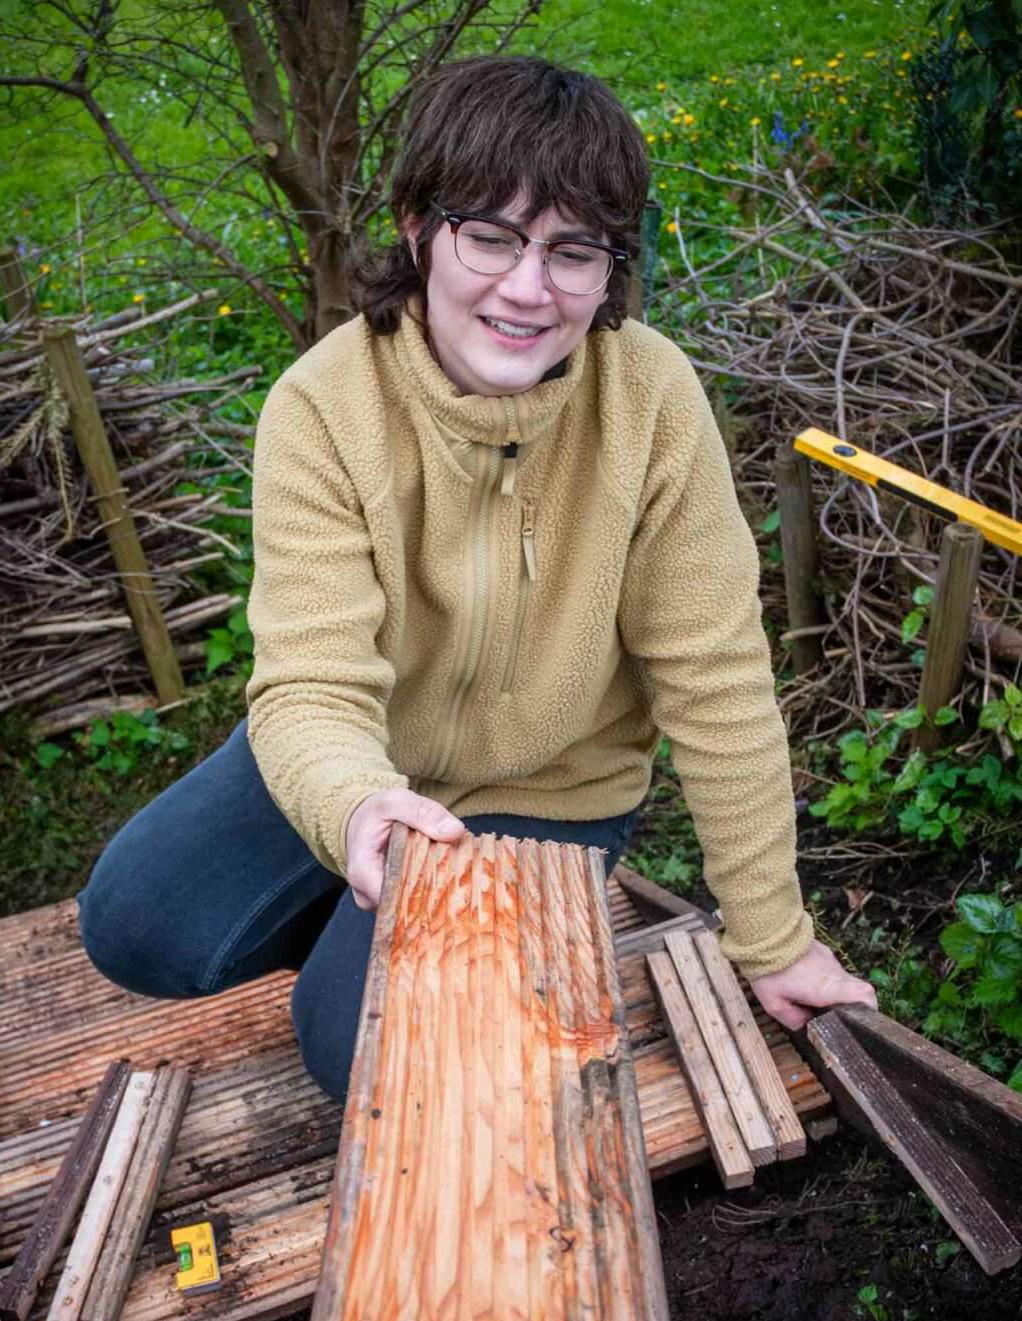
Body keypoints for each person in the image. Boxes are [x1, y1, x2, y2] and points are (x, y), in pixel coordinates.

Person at [78, 55, 876, 1100]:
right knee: (133, 917)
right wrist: (356, 802)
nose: (526, 288)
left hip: (545, 792)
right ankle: (351, 897)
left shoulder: (650, 405)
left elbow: (715, 681)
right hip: (367, 762)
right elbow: (311, 683)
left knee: (357, 1045)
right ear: (416, 227)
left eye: (570, 251)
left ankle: (361, 956)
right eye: (488, 235)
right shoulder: (323, 409)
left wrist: (771, 937)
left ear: (608, 267)